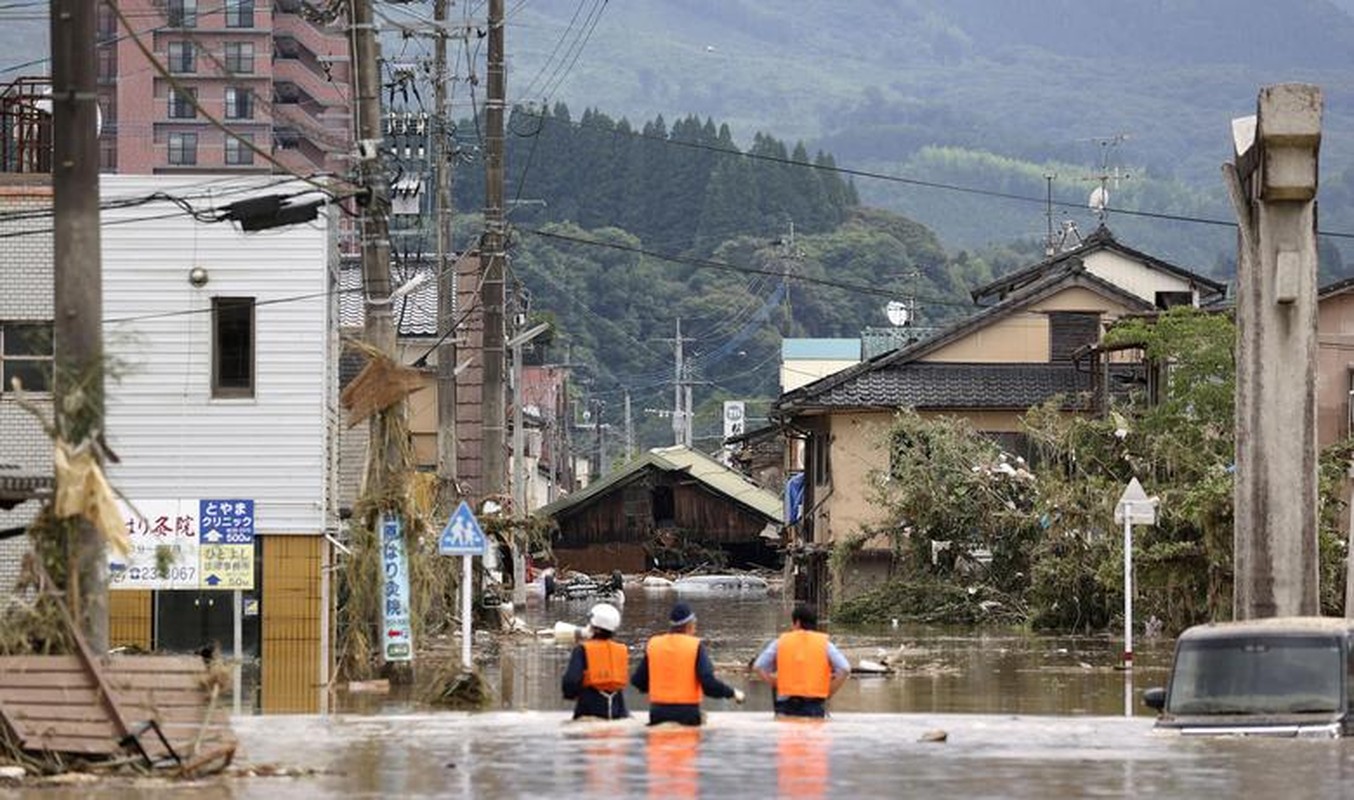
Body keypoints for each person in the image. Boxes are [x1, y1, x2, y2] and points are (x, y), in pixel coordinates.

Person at [631, 602, 744, 725]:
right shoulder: (694, 646)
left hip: (658, 713)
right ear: (689, 625)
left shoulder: (654, 644)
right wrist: (732, 693)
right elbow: (708, 684)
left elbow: (638, 681)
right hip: (687, 713)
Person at [753, 604, 851, 718]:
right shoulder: (825, 644)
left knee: (787, 733)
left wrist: (774, 683)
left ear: (797, 622)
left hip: (786, 705)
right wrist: (829, 691)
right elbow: (845, 668)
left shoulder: (780, 642)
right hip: (814, 705)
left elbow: (758, 666)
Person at [561, 603, 630, 720]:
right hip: (618, 708)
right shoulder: (621, 650)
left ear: (595, 627)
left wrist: (570, 695)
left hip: (589, 706)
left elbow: (571, 681)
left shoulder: (582, 650)